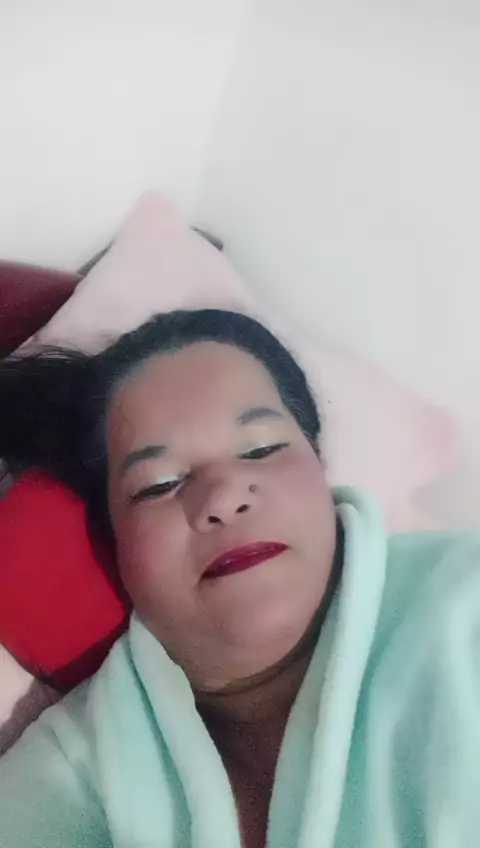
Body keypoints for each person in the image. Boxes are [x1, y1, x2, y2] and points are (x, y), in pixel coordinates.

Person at [0, 308, 479, 848]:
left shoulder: (463, 607)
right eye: (158, 484)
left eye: (261, 449)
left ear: (319, 466)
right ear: (117, 543)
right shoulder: (73, 772)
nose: (224, 497)